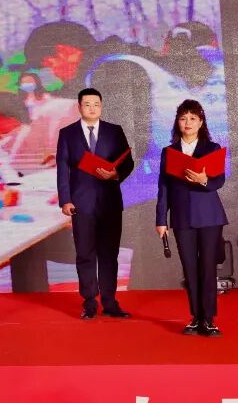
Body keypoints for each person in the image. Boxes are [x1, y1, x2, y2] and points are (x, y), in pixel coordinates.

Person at [56, 88, 135, 319]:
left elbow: (128, 162)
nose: (92, 108)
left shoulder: (114, 131)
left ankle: (110, 302)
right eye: (87, 104)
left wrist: (116, 175)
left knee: (109, 254)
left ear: (101, 106)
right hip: (81, 203)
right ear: (79, 107)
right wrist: (65, 199)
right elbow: (62, 168)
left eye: (96, 104)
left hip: (110, 202)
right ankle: (89, 302)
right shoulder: (67, 133)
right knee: (85, 253)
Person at [156, 99, 227, 337]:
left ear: (201, 122)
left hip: (209, 216)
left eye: (193, 118)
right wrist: (161, 219)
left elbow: (219, 180)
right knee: (189, 268)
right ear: (177, 122)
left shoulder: (212, 148)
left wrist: (204, 180)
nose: (188, 123)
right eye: (183, 118)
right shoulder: (169, 152)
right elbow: (163, 188)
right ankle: (196, 317)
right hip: (181, 217)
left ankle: (209, 319)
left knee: (207, 267)